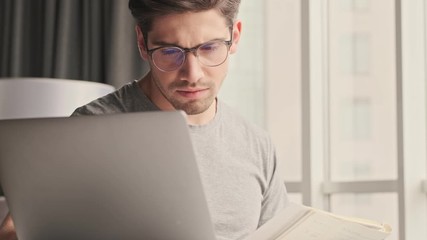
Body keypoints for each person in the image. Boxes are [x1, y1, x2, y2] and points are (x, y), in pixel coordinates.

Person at [0, 0, 289, 239]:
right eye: (170, 52)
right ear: (142, 42)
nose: (192, 73)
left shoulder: (256, 144)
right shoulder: (90, 128)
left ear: (235, 36)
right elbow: (14, 232)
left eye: (209, 48)